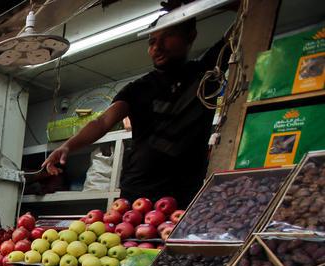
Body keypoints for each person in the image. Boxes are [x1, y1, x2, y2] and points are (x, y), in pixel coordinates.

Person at [41, 14, 231, 207]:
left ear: (190, 36)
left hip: (186, 194)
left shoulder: (205, 73)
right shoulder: (139, 88)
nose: (157, 47)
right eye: (152, 41)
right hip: (138, 193)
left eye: (167, 36)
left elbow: (243, 27)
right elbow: (102, 121)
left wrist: (192, 8)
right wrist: (67, 146)